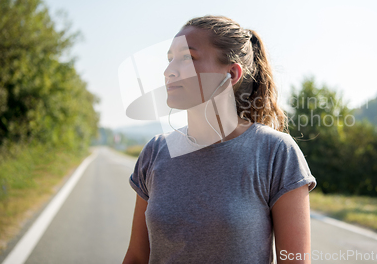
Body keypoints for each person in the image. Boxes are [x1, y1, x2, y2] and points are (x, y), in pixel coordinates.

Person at [122, 15, 317, 264]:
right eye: (170, 59)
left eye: (187, 58)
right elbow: (137, 257)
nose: (168, 71)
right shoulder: (156, 151)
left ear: (232, 74)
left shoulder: (276, 152)